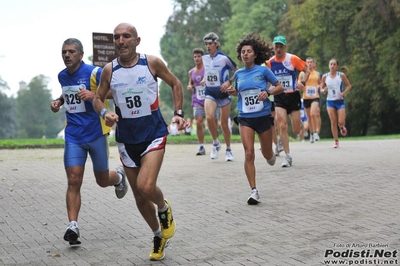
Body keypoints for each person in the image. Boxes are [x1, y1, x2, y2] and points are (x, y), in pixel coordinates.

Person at [93, 23, 184, 261]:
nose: (121, 41)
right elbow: (98, 99)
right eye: (116, 37)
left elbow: (175, 83)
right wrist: (105, 114)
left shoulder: (151, 63)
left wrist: (179, 113)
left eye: (126, 36)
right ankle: (158, 235)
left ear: (137, 40)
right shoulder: (109, 71)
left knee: (146, 186)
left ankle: (164, 208)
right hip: (126, 139)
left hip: (153, 133)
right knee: (140, 198)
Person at [50, 38, 128, 246]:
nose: (67, 55)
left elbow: (115, 90)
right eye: (64, 52)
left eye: (71, 52)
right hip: (74, 135)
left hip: (96, 134)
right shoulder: (62, 76)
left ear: (81, 55)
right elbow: (68, 93)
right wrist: (59, 101)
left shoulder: (95, 72)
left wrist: (94, 95)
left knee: (102, 180)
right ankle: (72, 226)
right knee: (74, 180)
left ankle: (119, 177)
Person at [227, 32, 284, 204]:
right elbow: (241, 93)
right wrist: (233, 92)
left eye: (249, 51)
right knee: (249, 153)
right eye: (243, 51)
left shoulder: (263, 70)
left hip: (263, 116)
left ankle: (269, 153)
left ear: (255, 54)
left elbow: (279, 87)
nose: (245, 54)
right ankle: (254, 191)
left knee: (267, 155)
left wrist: (268, 92)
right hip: (245, 118)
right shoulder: (238, 75)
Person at [265, 35, 310, 167]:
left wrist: (302, 82)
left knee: (296, 130)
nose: (278, 49)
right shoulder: (270, 63)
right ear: (273, 47)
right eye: (276, 46)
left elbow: (306, 70)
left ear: (285, 47)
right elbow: (268, 81)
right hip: (279, 96)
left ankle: (299, 125)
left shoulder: (292, 59)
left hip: (293, 95)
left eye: (281, 46)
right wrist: (264, 91)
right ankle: (288, 156)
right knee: (282, 125)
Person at [201, 32, 239, 161]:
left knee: (224, 124)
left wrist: (229, 82)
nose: (208, 46)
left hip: (223, 95)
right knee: (210, 117)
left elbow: (238, 71)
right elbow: (208, 71)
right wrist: (204, 79)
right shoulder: (204, 58)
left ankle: (228, 149)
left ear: (216, 44)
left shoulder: (224, 58)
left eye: (210, 43)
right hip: (210, 92)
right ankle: (215, 143)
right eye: (206, 44)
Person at [187, 48, 219, 155]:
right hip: (197, 100)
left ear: (203, 57)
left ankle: (215, 141)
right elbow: (191, 83)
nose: (197, 58)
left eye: (199, 56)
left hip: (210, 98)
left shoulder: (207, 68)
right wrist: (190, 86)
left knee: (213, 122)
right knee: (199, 122)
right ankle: (201, 146)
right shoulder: (191, 72)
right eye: (195, 57)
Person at [320, 58, 352, 148]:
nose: (332, 66)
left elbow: (349, 86)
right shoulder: (325, 76)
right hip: (330, 101)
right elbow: (321, 87)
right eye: (331, 64)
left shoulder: (341, 75)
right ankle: (336, 141)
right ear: (328, 66)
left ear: (337, 66)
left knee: (341, 121)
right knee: (333, 121)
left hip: (340, 101)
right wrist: (323, 90)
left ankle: (342, 127)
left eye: (334, 64)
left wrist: (343, 93)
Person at [298, 57, 321, 143]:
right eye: (308, 62)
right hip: (306, 97)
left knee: (313, 113)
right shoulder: (302, 74)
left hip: (315, 96)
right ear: (305, 63)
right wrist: (300, 85)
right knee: (309, 117)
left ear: (313, 63)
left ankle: (315, 133)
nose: (310, 64)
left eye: (311, 62)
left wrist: (319, 87)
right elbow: (299, 82)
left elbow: (320, 83)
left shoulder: (317, 74)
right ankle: (311, 133)